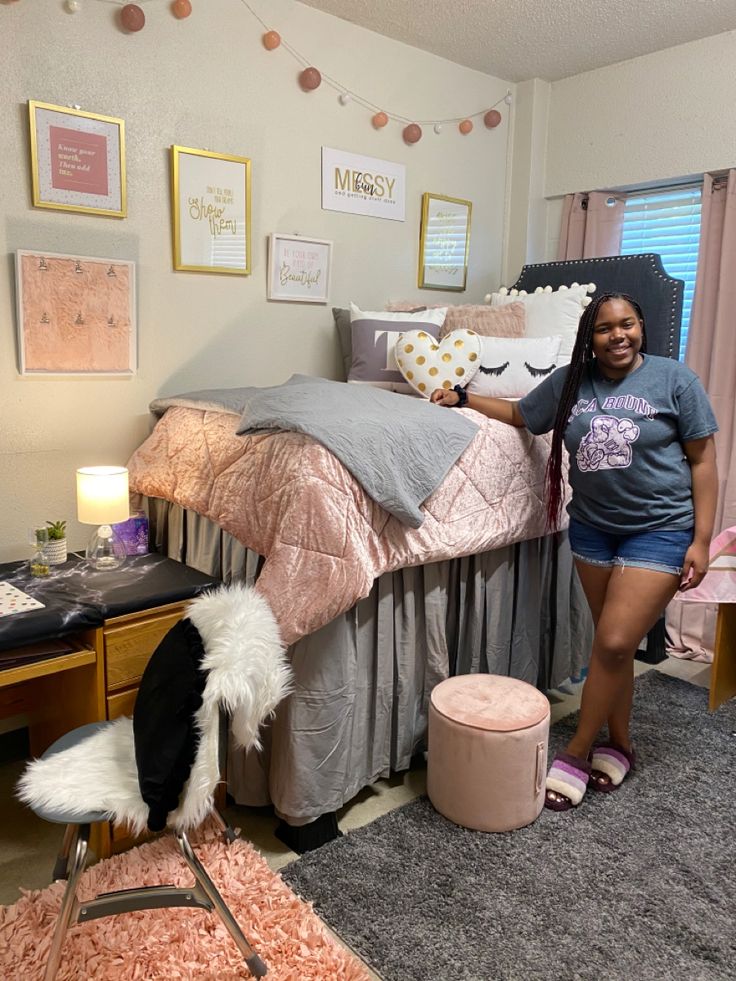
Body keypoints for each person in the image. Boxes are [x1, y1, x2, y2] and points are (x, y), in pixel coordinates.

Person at [431, 292, 719, 811]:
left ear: (641, 327)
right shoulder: (572, 380)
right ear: (591, 337)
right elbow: (523, 414)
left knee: (610, 643)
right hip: (593, 529)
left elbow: (702, 461)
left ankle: (579, 750)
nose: (618, 336)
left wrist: (700, 538)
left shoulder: (676, 381)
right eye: (605, 328)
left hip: (661, 529)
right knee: (617, 648)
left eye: (627, 324)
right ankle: (622, 745)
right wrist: (464, 398)